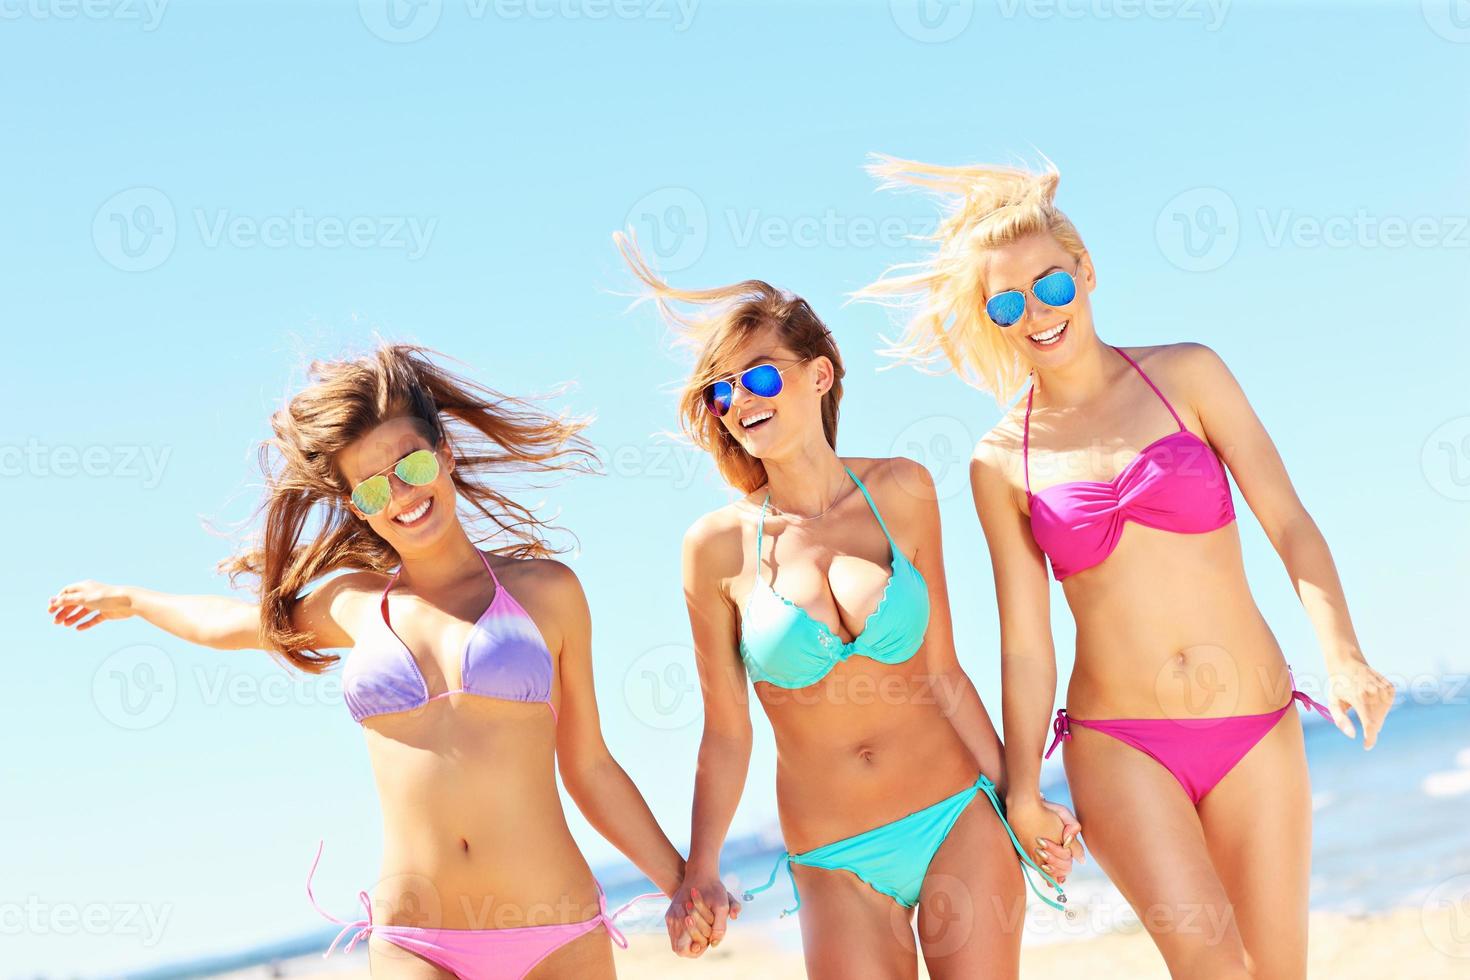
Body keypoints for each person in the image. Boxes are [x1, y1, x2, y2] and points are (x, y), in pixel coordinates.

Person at [857, 154, 1395, 978]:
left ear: (1087, 272)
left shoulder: (1189, 375)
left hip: (1254, 725)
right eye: (1008, 301)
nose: (1036, 310)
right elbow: (1027, 641)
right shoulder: (1000, 461)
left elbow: (1288, 521)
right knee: (1212, 966)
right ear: (992, 319)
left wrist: (1343, 652)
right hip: (1119, 743)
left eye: (1051, 285)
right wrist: (1023, 790)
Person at [48, 343, 725, 979]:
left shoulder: (546, 593)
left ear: (446, 454)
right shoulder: (349, 604)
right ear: (356, 508)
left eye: (412, 466)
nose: (400, 494)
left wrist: (682, 881)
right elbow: (230, 624)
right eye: (373, 489)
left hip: (553, 929)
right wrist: (134, 600)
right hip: (414, 941)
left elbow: (590, 766)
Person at [616, 232, 1078, 979]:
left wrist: (1020, 798)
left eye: (759, 377)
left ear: (820, 374)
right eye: (721, 391)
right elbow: (727, 734)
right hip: (834, 853)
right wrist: (698, 869)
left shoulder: (903, 490)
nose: (738, 402)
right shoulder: (714, 550)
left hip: (955, 812)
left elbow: (946, 676)